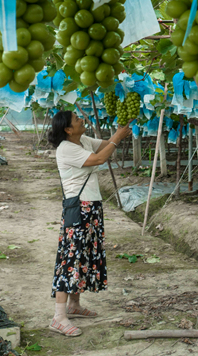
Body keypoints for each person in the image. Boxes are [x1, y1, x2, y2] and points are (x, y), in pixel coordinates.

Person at [47, 110, 131, 336]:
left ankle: (74, 306)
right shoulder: (66, 149)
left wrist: (120, 130)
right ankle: (58, 317)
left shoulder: (82, 140)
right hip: (79, 208)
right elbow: (100, 158)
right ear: (67, 129)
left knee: (83, 256)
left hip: (91, 206)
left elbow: (105, 144)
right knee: (70, 259)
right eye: (77, 119)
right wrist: (117, 137)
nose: (81, 120)